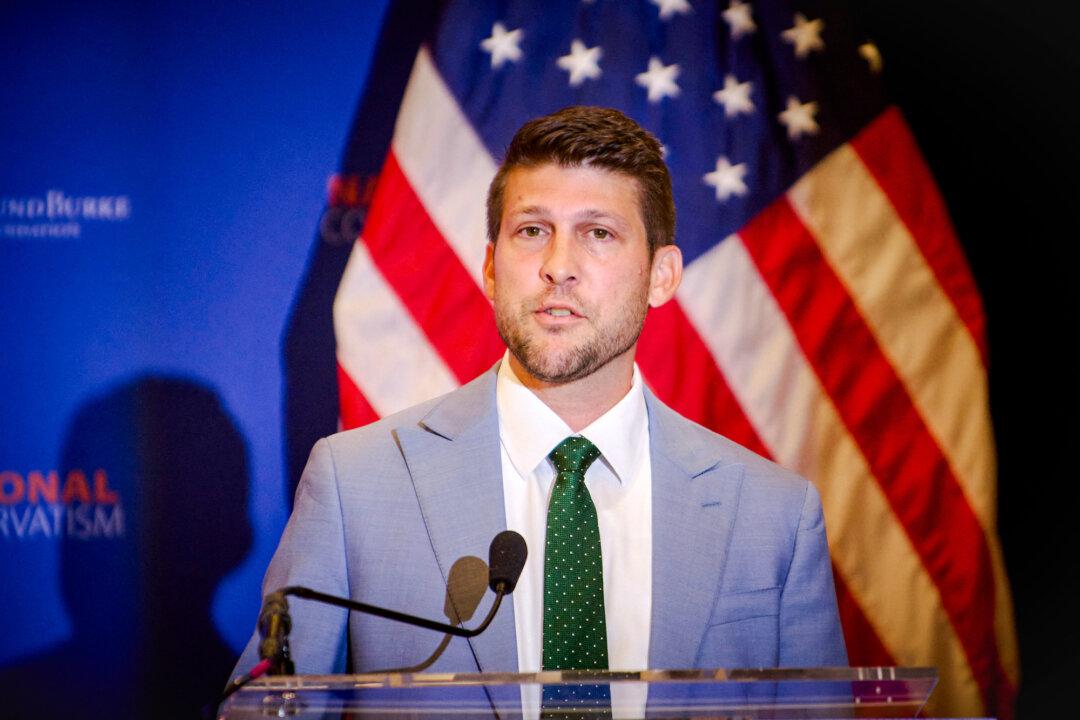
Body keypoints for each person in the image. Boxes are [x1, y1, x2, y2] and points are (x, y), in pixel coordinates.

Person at [230, 106, 846, 705]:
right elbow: (266, 705)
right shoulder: (356, 483)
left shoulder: (774, 518)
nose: (558, 267)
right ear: (493, 268)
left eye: (598, 234)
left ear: (662, 276)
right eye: (532, 231)